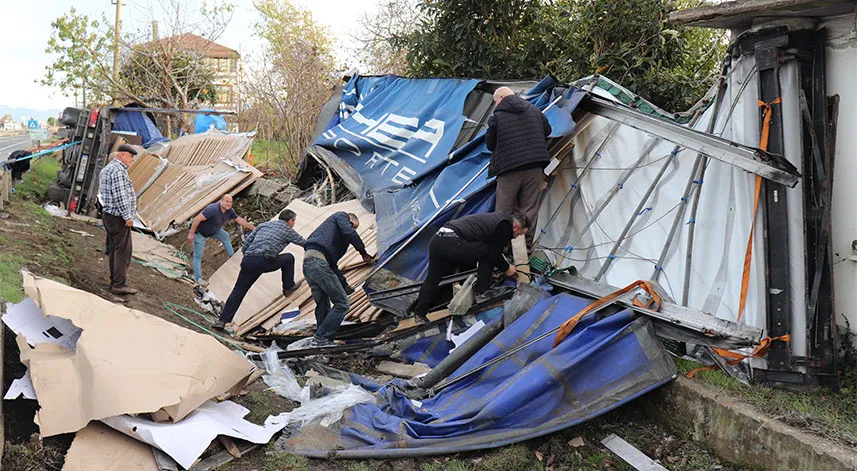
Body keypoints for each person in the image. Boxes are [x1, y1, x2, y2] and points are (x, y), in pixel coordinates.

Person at [410, 212, 529, 324]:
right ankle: (481, 292)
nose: (515, 237)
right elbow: (493, 254)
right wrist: (507, 268)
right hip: (452, 240)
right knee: (487, 253)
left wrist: (489, 271)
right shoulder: (504, 226)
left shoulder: (496, 218)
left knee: (433, 279)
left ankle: (419, 314)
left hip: (438, 239)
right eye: (519, 234)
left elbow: (475, 250)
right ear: (514, 227)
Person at [215, 209, 306, 329]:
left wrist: (248, 256)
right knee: (289, 258)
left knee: (238, 290)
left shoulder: (264, 225)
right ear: (291, 220)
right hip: (265, 260)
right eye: (293, 221)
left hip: (248, 260)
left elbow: (246, 243)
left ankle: (222, 321)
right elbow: (304, 243)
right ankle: (288, 287)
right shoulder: (288, 230)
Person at [485, 86, 552, 249]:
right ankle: (525, 248)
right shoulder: (535, 110)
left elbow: (489, 144)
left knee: (503, 211)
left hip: (509, 169)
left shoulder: (497, 117)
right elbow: (548, 130)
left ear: (500, 99)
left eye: (495, 102)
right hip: (535, 167)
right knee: (529, 208)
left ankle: (502, 247)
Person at [303, 212, 374, 346]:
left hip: (309, 264)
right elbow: (349, 233)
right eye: (353, 226)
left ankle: (321, 339)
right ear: (350, 219)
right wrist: (363, 253)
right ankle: (321, 337)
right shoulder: (341, 216)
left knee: (323, 304)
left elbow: (332, 265)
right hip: (318, 263)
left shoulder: (332, 238)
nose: (352, 230)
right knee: (342, 304)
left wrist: (344, 284)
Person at [187, 194, 255, 285]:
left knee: (225, 236)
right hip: (200, 233)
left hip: (215, 230)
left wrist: (253, 228)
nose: (229, 204)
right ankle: (198, 279)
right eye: (227, 201)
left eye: (230, 202)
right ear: (221, 201)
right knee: (198, 256)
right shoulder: (212, 209)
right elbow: (197, 220)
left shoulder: (230, 211)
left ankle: (232, 256)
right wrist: (191, 234)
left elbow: (239, 220)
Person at [99, 145, 139, 295]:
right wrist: (128, 216)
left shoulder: (108, 169)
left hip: (110, 215)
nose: (132, 160)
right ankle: (119, 284)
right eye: (130, 157)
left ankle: (115, 281)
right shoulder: (118, 171)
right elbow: (120, 196)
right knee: (123, 252)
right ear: (122, 155)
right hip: (118, 217)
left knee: (115, 249)